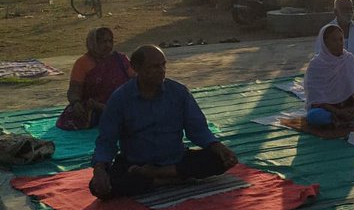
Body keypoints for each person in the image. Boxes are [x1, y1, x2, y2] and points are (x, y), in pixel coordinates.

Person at [90, 46, 238, 200]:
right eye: (154, 66)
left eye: (163, 65)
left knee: (221, 160)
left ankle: (156, 176)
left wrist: (217, 146)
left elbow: (198, 129)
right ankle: (171, 178)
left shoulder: (178, 92)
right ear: (136, 68)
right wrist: (100, 168)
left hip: (175, 158)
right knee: (99, 188)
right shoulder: (120, 98)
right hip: (136, 163)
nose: (161, 70)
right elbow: (107, 139)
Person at [57, 27, 134, 130]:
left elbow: (135, 80)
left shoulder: (120, 59)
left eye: (110, 41)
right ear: (93, 43)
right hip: (92, 107)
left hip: (120, 103)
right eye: (103, 42)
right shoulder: (82, 63)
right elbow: (74, 89)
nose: (108, 45)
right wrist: (75, 103)